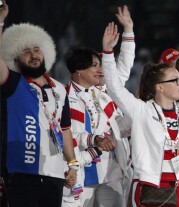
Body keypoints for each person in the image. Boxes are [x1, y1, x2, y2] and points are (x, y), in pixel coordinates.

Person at [102, 32, 179, 207]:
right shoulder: (141, 110)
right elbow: (115, 87)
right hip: (152, 186)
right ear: (160, 87)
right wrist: (108, 52)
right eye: (175, 80)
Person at [0, 2, 78, 206]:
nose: (33, 55)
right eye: (26, 52)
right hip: (21, 172)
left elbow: (65, 130)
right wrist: (0, 21)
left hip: (54, 173)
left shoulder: (60, 89)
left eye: (36, 49)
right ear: (14, 59)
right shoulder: (12, 83)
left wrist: (73, 164)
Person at [62, 6, 135, 207]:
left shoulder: (106, 91)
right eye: (95, 65)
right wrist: (96, 139)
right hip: (80, 174)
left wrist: (128, 30)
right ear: (78, 71)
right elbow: (66, 137)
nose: (101, 70)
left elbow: (124, 67)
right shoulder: (63, 98)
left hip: (112, 171)